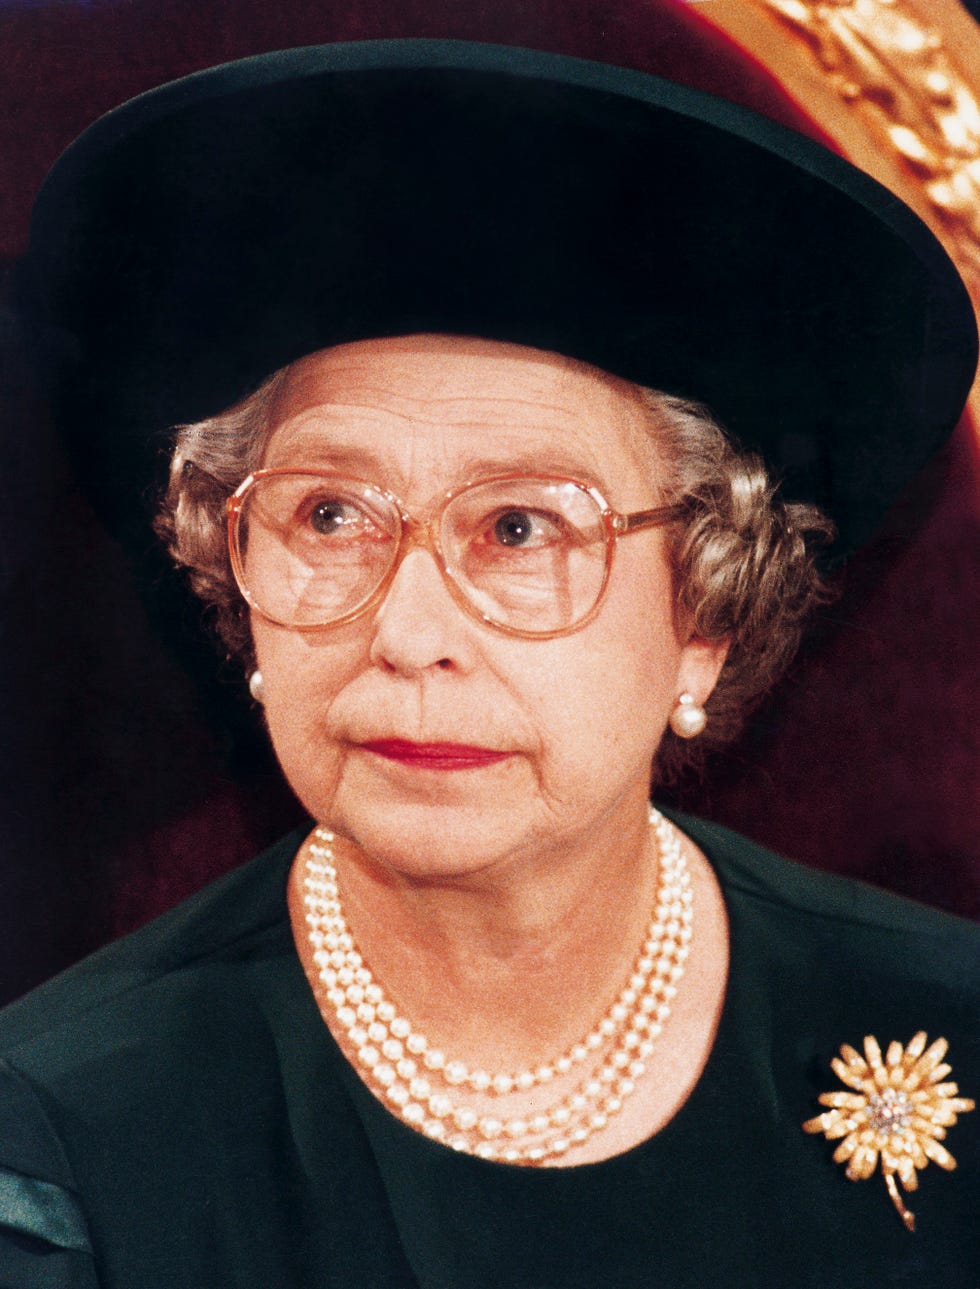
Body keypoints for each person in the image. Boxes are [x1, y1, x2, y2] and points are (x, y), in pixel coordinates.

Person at [1, 40, 978, 1289]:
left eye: (519, 528)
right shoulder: (65, 1138)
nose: (406, 633)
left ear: (706, 614)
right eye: (328, 516)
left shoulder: (947, 1016)